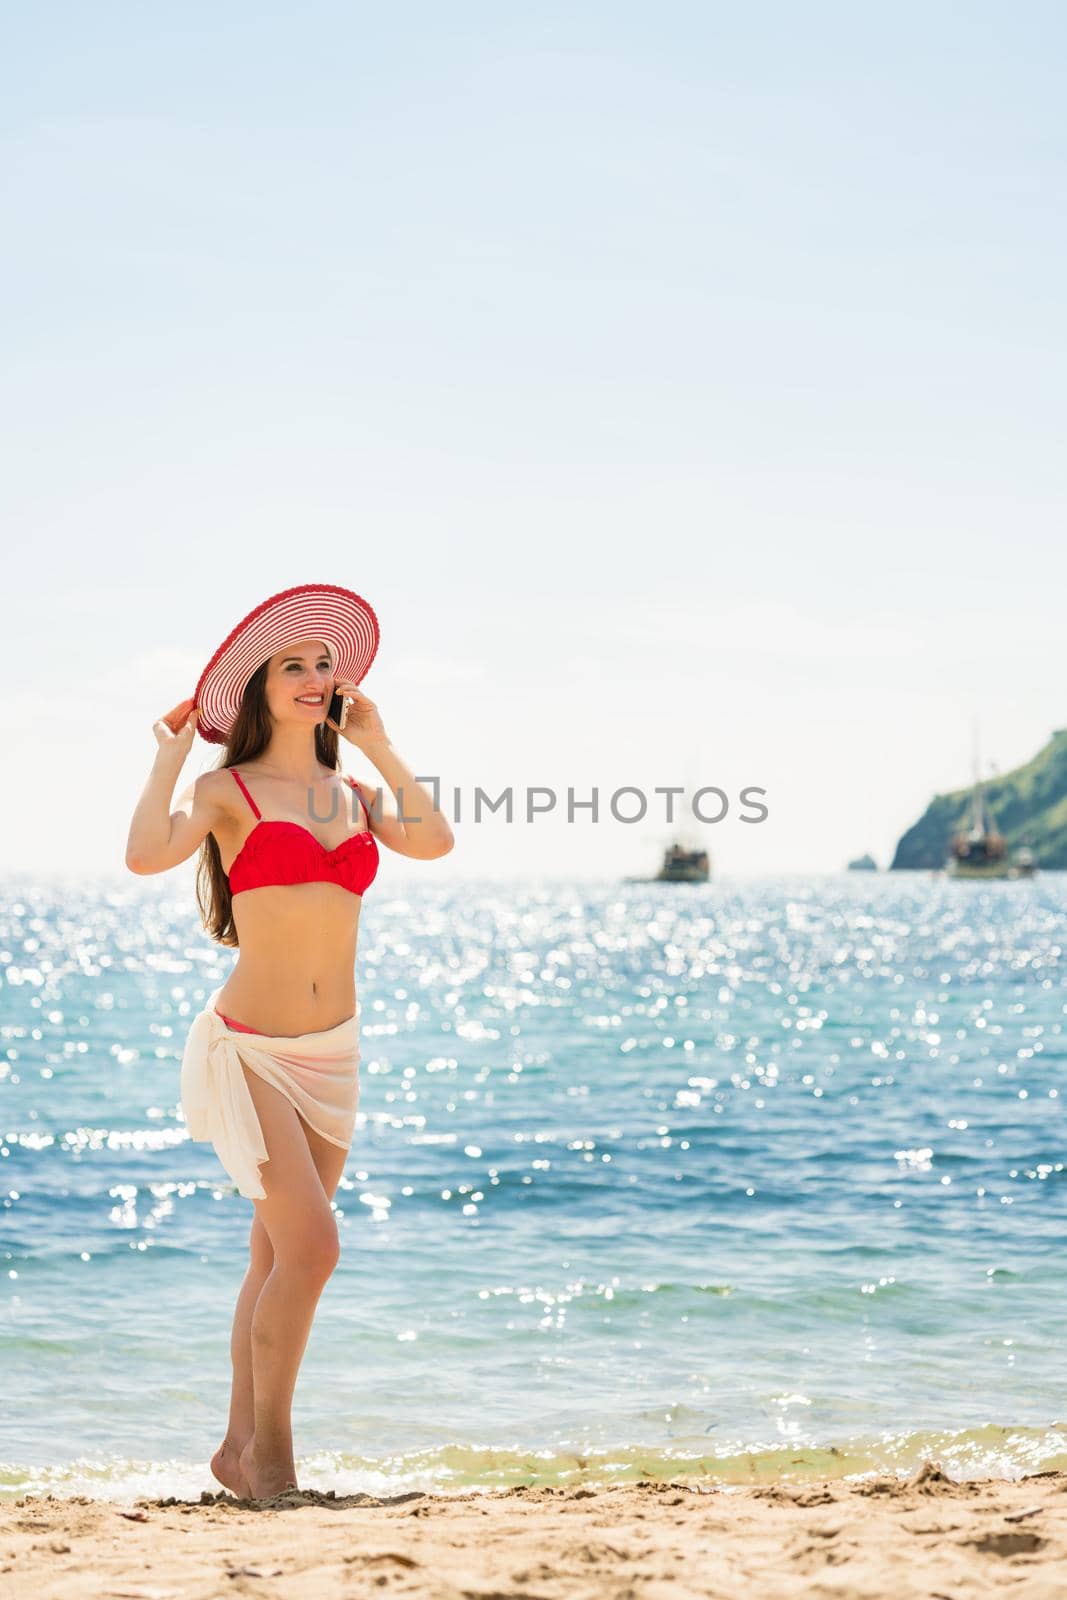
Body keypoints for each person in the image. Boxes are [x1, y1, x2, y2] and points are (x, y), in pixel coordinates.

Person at [124, 583, 454, 1501]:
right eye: (294, 666)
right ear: (259, 688)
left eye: (324, 665)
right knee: (311, 1252)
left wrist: (380, 744)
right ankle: (272, 1459)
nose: (314, 678)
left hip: (335, 1053)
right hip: (254, 1048)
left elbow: (434, 840)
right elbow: (146, 854)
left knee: (275, 1258)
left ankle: (238, 1447)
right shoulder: (224, 790)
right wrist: (169, 758)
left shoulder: (349, 791)